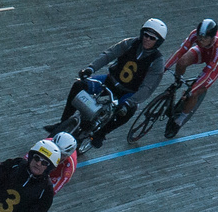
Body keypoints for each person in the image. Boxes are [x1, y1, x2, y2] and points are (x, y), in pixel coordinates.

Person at [53, 18, 168, 148]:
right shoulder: (130, 43)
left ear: (158, 42)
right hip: (109, 81)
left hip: (127, 93)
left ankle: (101, 133)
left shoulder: (157, 62)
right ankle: (62, 122)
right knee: (79, 85)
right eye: (146, 35)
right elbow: (109, 54)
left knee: (129, 111)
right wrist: (90, 68)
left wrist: (130, 102)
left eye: (152, 38)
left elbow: (147, 88)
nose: (147, 39)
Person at [162, 18, 218, 139]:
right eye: (199, 37)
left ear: (212, 38)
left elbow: (208, 71)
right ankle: (178, 82)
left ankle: (179, 120)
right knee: (182, 62)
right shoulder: (195, 34)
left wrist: (192, 90)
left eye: (204, 38)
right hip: (204, 51)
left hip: (217, 61)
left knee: (195, 93)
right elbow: (180, 52)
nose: (200, 40)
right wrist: (164, 68)